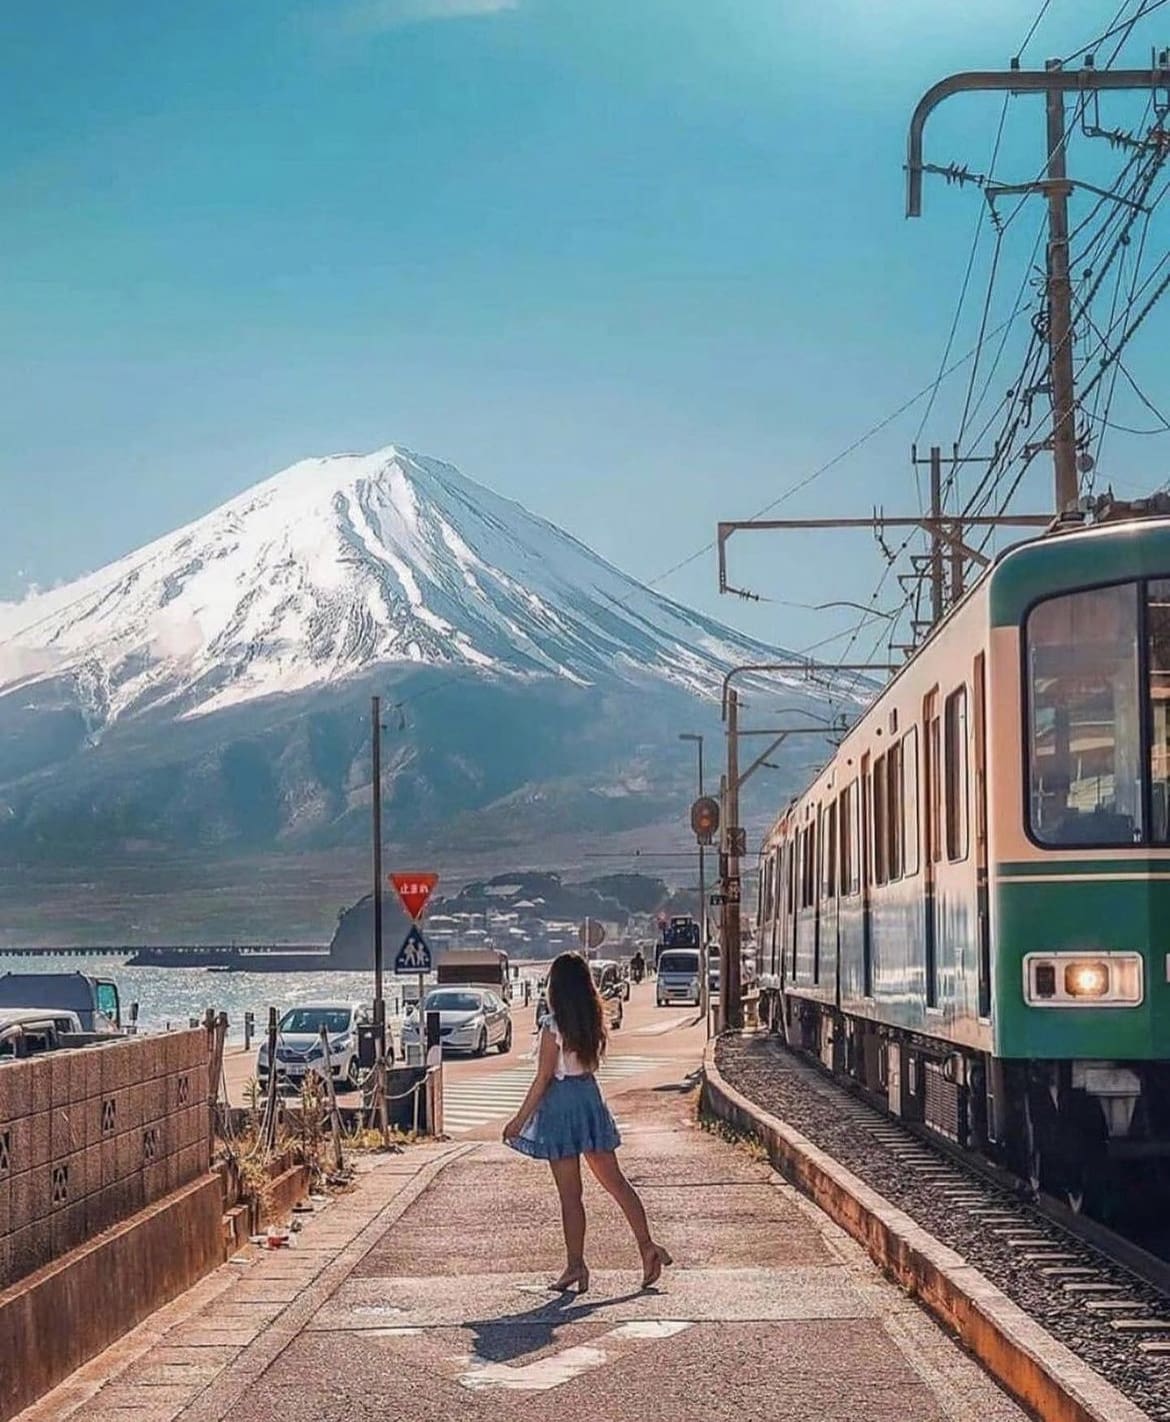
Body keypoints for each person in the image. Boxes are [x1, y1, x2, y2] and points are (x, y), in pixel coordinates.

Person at [503, 951, 672, 1294]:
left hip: (562, 1106)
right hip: (590, 1100)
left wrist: (518, 1121)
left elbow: (544, 1079)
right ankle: (647, 1247)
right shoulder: (592, 1020)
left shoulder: (553, 1025)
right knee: (617, 1183)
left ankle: (576, 1265)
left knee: (571, 1196)